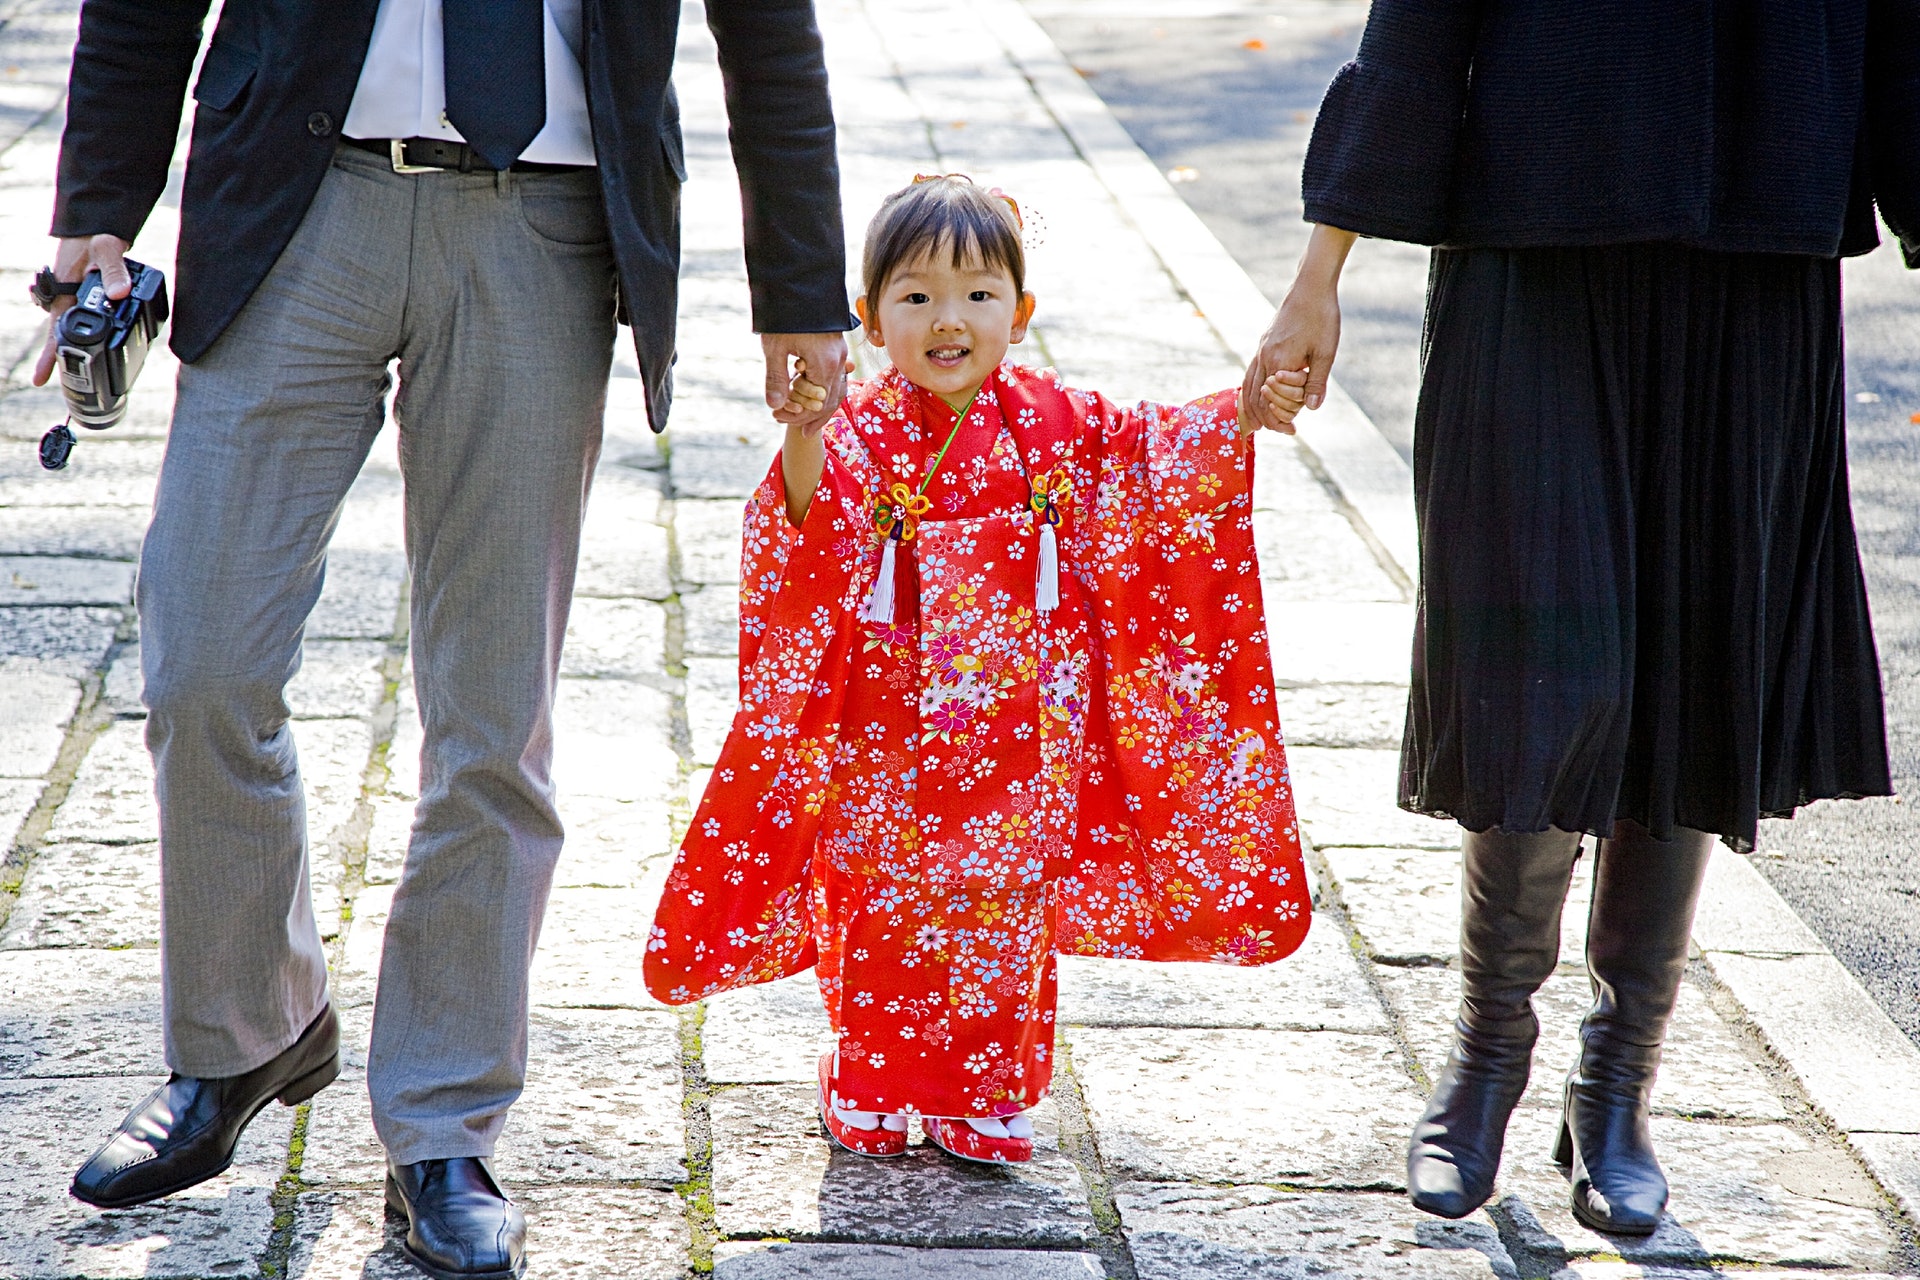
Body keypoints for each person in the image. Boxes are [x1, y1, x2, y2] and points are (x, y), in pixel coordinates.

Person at [40, 1, 854, 1274]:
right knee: (201, 661)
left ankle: (442, 1126)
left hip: (546, 224)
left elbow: (769, 29)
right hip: (295, 201)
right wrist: (98, 202)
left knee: (489, 714)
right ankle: (248, 1033)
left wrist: (799, 288)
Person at [1242, 0, 1919, 1237]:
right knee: (1537, 668)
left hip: (1755, 259)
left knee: (1692, 673)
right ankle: (1489, 1048)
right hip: (1531, 246)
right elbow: (1417, 25)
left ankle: (1617, 1082)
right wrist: (1318, 274)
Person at [644, 175, 1312, 1163]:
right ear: (870, 319)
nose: (948, 319)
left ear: (1020, 311)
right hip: (887, 726)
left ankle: (986, 1086)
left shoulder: (1056, 421)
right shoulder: (861, 428)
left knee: (1004, 902)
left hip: (1021, 725)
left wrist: (1243, 413)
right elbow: (802, 520)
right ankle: (867, 1071)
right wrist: (803, 428)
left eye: (978, 294)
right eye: (915, 297)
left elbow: (1155, 455)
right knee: (885, 894)